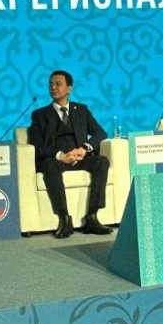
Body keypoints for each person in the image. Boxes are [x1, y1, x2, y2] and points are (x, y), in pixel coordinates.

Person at [27, 70, 112, 239]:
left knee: (102, 161)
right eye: (51, 84)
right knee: (49, 165)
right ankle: (64, 219)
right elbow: (37, 145)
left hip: (79, 158)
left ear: (69, 88)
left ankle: (92, 217)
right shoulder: (40, 115)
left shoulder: (81, 110)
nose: (53, 87)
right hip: (56, 160)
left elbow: (100, 133)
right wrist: (60, 155)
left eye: (58, 84)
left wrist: (84, 149)